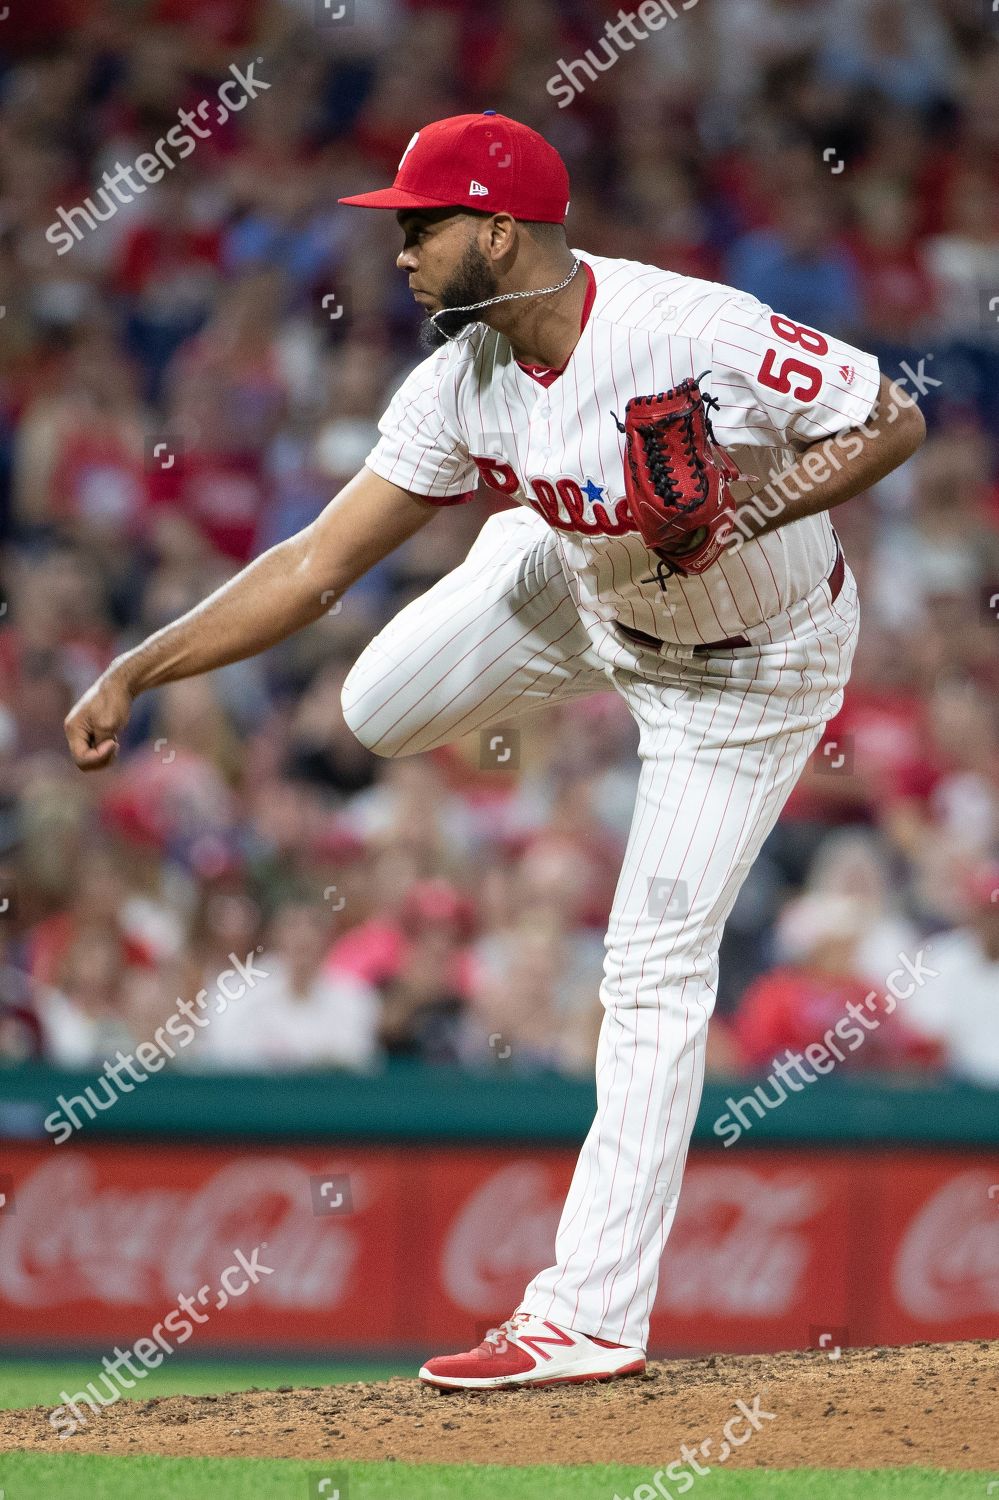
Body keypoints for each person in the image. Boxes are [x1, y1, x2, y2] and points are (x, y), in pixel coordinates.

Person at [64, 112, 925, 1390]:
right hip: (584, 590)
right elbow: (312, 566)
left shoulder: (686, 328)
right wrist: (141, 665)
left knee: (648, 974)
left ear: (501, 229)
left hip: (749, 674)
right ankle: (534, 532)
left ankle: (587, 1317)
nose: (401, 250)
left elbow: (892, 416)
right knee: (371, 710)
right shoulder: (460, 377)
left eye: (422, 225)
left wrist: (749, 504)